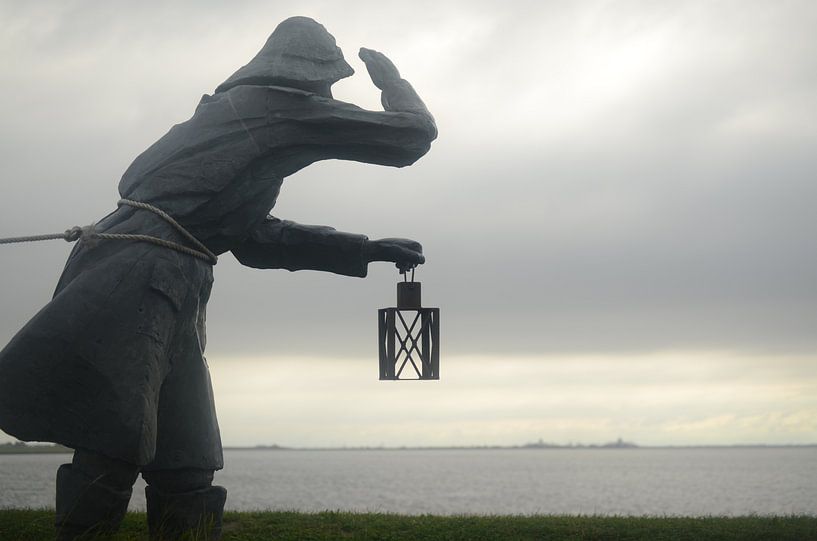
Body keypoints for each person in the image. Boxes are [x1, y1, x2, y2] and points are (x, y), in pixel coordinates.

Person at [0, 16, 436, 540]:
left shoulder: (230, 119)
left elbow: (253, 239)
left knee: (187, 460)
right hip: (138, 277)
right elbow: (411, 136)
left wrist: (364, 250)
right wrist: (391, 82)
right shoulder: (276, 107)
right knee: (111, 443)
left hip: (166, 280)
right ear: (309, 74)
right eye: (329, 81)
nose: (328, 94)